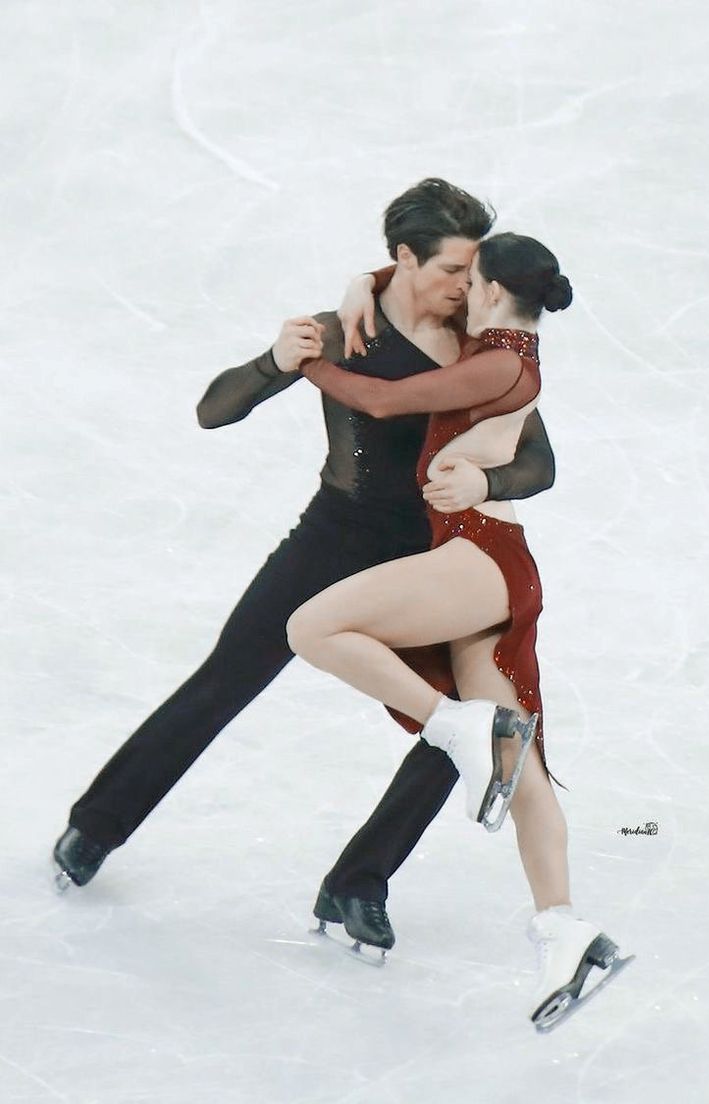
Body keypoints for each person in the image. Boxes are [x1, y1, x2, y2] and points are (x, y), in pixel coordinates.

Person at [52, 180, 556, 956]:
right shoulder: (337, 329)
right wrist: (272, 360)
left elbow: (539, 460)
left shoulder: (477, 343)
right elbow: (212, 411)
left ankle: (358, 882)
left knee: (465, 727)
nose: (467, 285)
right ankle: (98, 823)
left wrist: (488, 483)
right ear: (403, 258)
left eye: (473, 271)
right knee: (227, 678)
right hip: (333, 537)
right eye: (453, 268)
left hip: (430, 555)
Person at [286, 232, 630, 1029]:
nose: (457, 288)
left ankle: (458, 727)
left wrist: (307, 362)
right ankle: (564, 930)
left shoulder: (504, 363)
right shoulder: (499, 344)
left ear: (493, 290)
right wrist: (360, 281)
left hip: (480, 557)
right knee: (525, 765)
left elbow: (378, 401)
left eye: (468, 279)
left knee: (313, 625)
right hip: (484, 559)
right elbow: (408, 282)